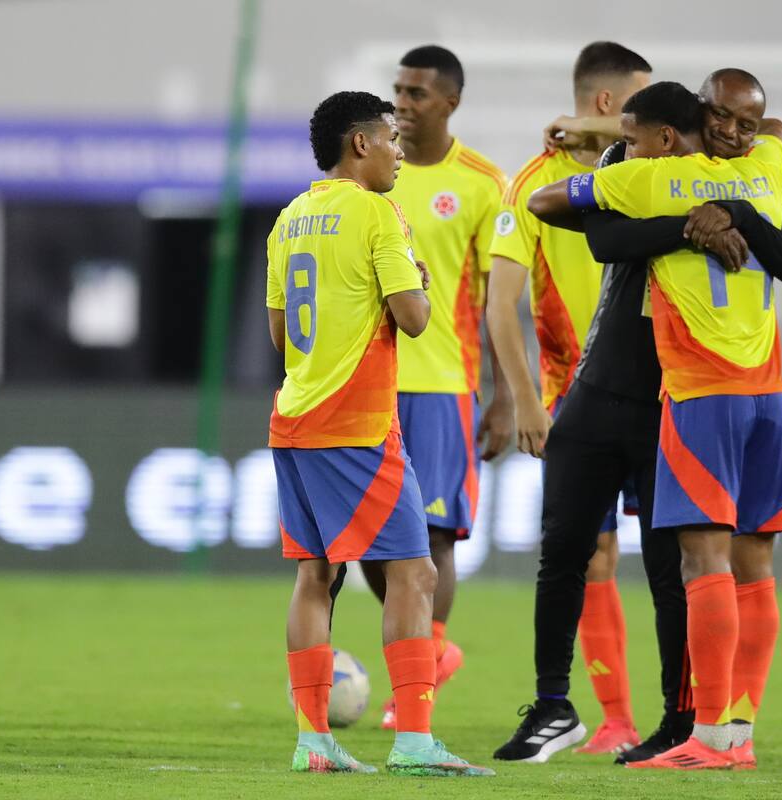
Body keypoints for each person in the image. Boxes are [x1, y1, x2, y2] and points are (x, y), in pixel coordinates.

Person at [497, 78, 782, 767]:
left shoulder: (658, 179)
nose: (732, 130)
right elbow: (777, 138)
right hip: (762, 390)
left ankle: (700, 731)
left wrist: (624, 158)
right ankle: (731, 730)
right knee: (746, 563)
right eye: (720, 118)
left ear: (665, 137)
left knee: (696, 563)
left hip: (696, 394)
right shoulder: (766, 167)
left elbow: (559, 209)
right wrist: (712, 204)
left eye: (741, 121)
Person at [266, 90, 492, 778]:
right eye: (390, 139)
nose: (399, 152)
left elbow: (281, 337)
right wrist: (413, 283)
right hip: (357, 424)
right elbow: (416, 319)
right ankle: (415, 742)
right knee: (415, 570)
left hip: (294, 417)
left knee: (315, 573)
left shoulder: (289, 219)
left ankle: (314, 742)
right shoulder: (377, 213)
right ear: (359, 145)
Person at [486, 40, 652, 757]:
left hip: (662, 390)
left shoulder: (652, 169)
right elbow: (501, 307)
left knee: (693, 554)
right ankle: (613, 718)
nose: (655, 120)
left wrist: (591, 130)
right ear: (613, 103)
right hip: (576, 398)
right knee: (594, 559)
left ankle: (712, 720)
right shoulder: (532, 183)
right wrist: (524, 399)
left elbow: (713, 136)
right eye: (642, 103)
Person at [359, 44, 513, 731]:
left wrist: (506, 395)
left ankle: (426, 663)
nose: (403, 103)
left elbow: (499, 301)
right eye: (397, 90)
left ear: (449, 102)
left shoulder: (482, 182)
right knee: (369, 541)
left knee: (432, 538)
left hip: (442, 384)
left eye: (417, 93)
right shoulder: (369, 175)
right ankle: (426, 658)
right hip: (368, 384)